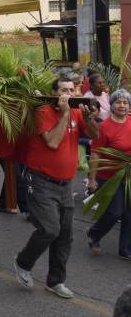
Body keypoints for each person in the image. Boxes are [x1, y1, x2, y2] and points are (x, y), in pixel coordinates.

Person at [14, 76, 100, 298]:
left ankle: (55, 281)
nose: (68, 94)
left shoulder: (77, 111)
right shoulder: (43, 111)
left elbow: (94, 136)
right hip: (41, 181)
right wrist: (64, 114)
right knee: (50, 229)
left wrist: (90, 119)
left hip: (65, 184)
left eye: (72, 90)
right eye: (63, 90)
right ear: (54, 93)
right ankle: (23, 262)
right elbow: (52, 142)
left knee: (65, 235)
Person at [86, 88, 131, 259]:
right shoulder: (104, 127)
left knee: (130, 213)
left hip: (128, 176)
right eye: (118, 102)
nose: (122, 105)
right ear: (111, 105)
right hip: (108, 177)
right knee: (115, 212)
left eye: (125, 102)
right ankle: (94, 233)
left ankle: (125, 249)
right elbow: (95, 153)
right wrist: (91, 179)